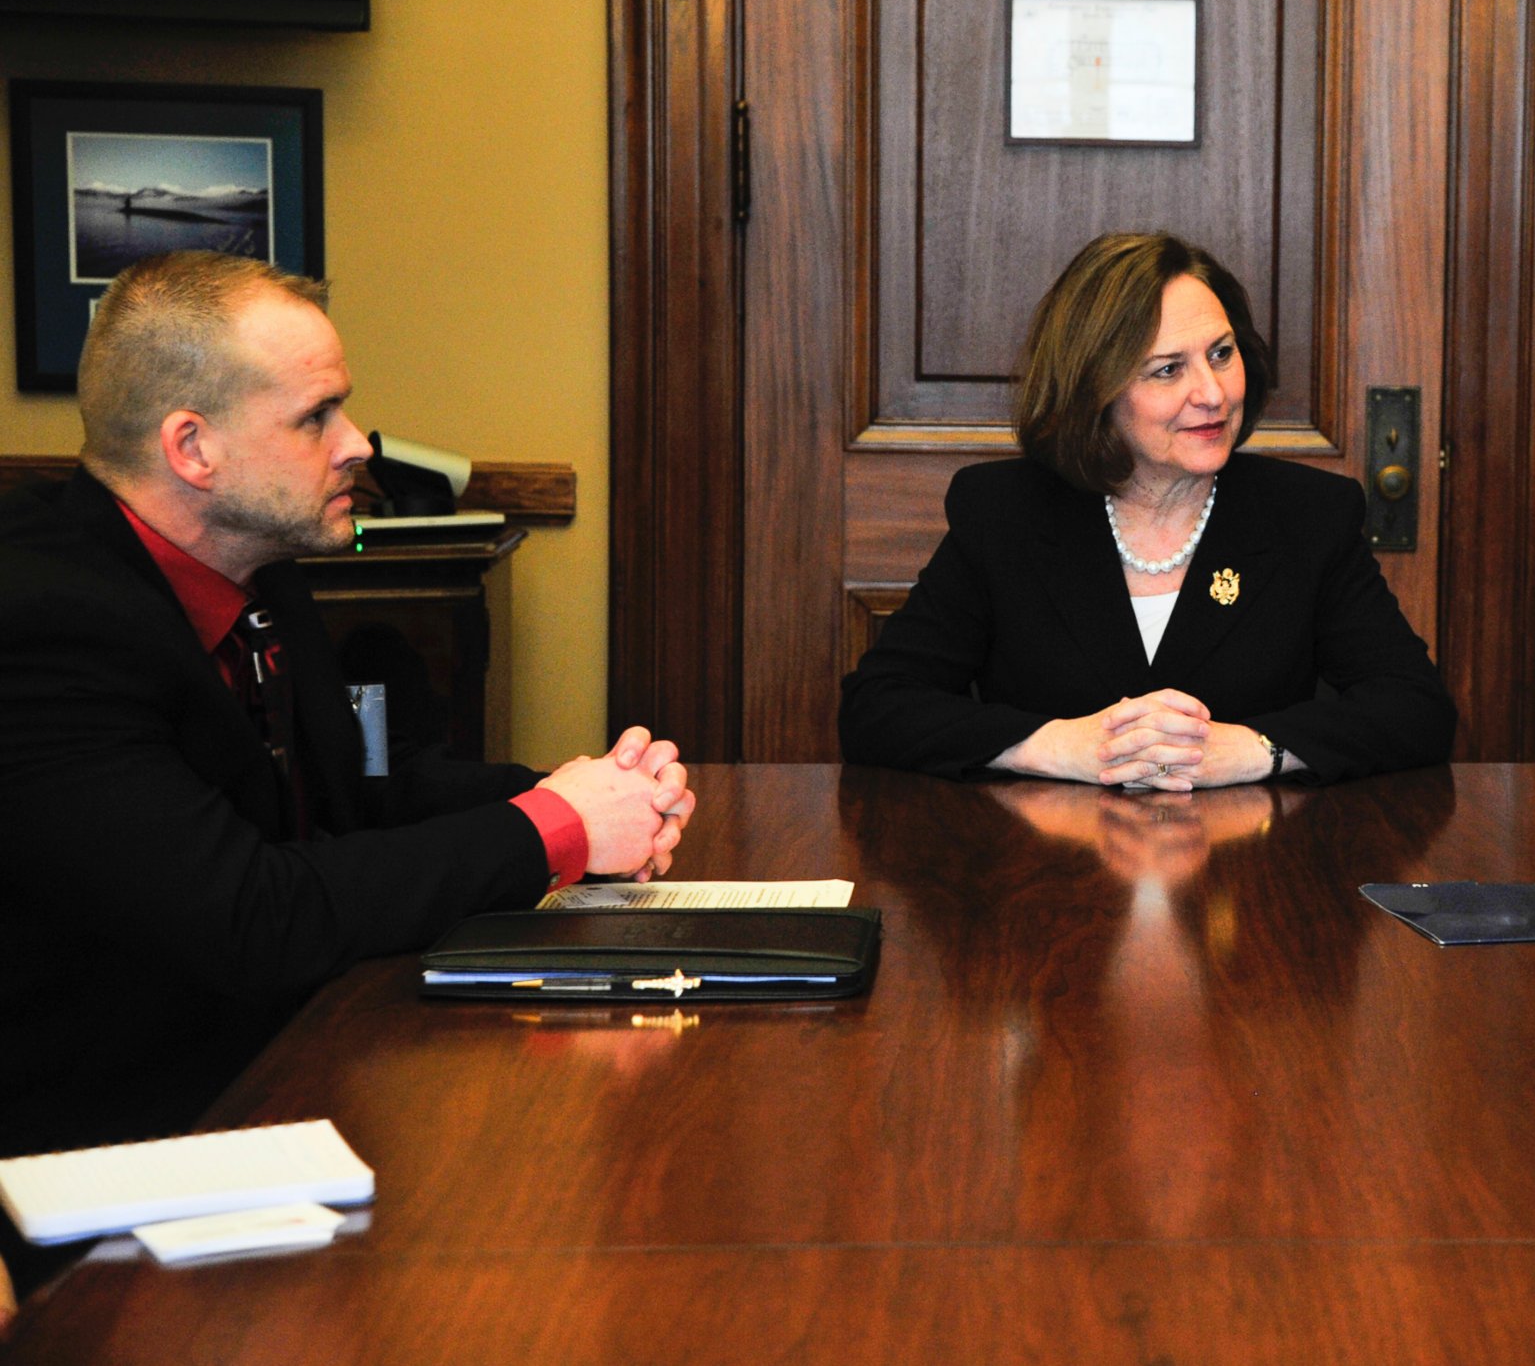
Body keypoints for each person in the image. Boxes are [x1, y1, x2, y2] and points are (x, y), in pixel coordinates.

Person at [0, 253, 696, 1293]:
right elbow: (249, 912)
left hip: (285, 1091)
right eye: (316, 416)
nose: (358, 446)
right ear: (192, 446)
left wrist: (583, 792)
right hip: (113, 1165)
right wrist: (553, 827)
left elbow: (355, 802)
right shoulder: (43, 624)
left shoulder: (261, 573)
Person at [840, 231, 1453, 786]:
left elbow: (1415, 708)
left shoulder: (1305, 515)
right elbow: (879, 707)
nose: (1212, 394)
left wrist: (1255, 749)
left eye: (1221, 353)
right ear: (1095, 391)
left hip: (1246, 880)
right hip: (1047, 875)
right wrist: (1055, 745)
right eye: (1167, 370)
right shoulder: (1007, 513)